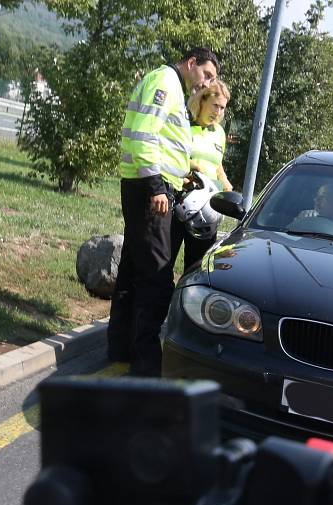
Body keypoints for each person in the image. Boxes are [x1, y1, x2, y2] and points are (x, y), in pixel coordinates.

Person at [108, 47, 220, 376]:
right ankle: (146, 365)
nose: (208, 82)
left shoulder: (169, 84)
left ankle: (121, 348)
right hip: (150, 190)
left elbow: (162, 141)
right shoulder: (166, 82)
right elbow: (143, 135)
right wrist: (158, 185)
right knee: (156, 278)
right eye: (207, 74)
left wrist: (178, 173)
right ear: (191, 64)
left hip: (150, 185)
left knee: (132, 269)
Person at [171, 79, 232, 273]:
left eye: (223, 108)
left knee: (199, 266)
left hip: (207, 209)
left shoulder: (219, 133)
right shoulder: (185, 126)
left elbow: (217, 163)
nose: (218, 112)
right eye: (215, 105)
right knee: (164, 259)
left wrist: (225, 181)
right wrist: (193, 167)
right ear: (202, 101)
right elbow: (171, 156)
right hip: (179, 201)